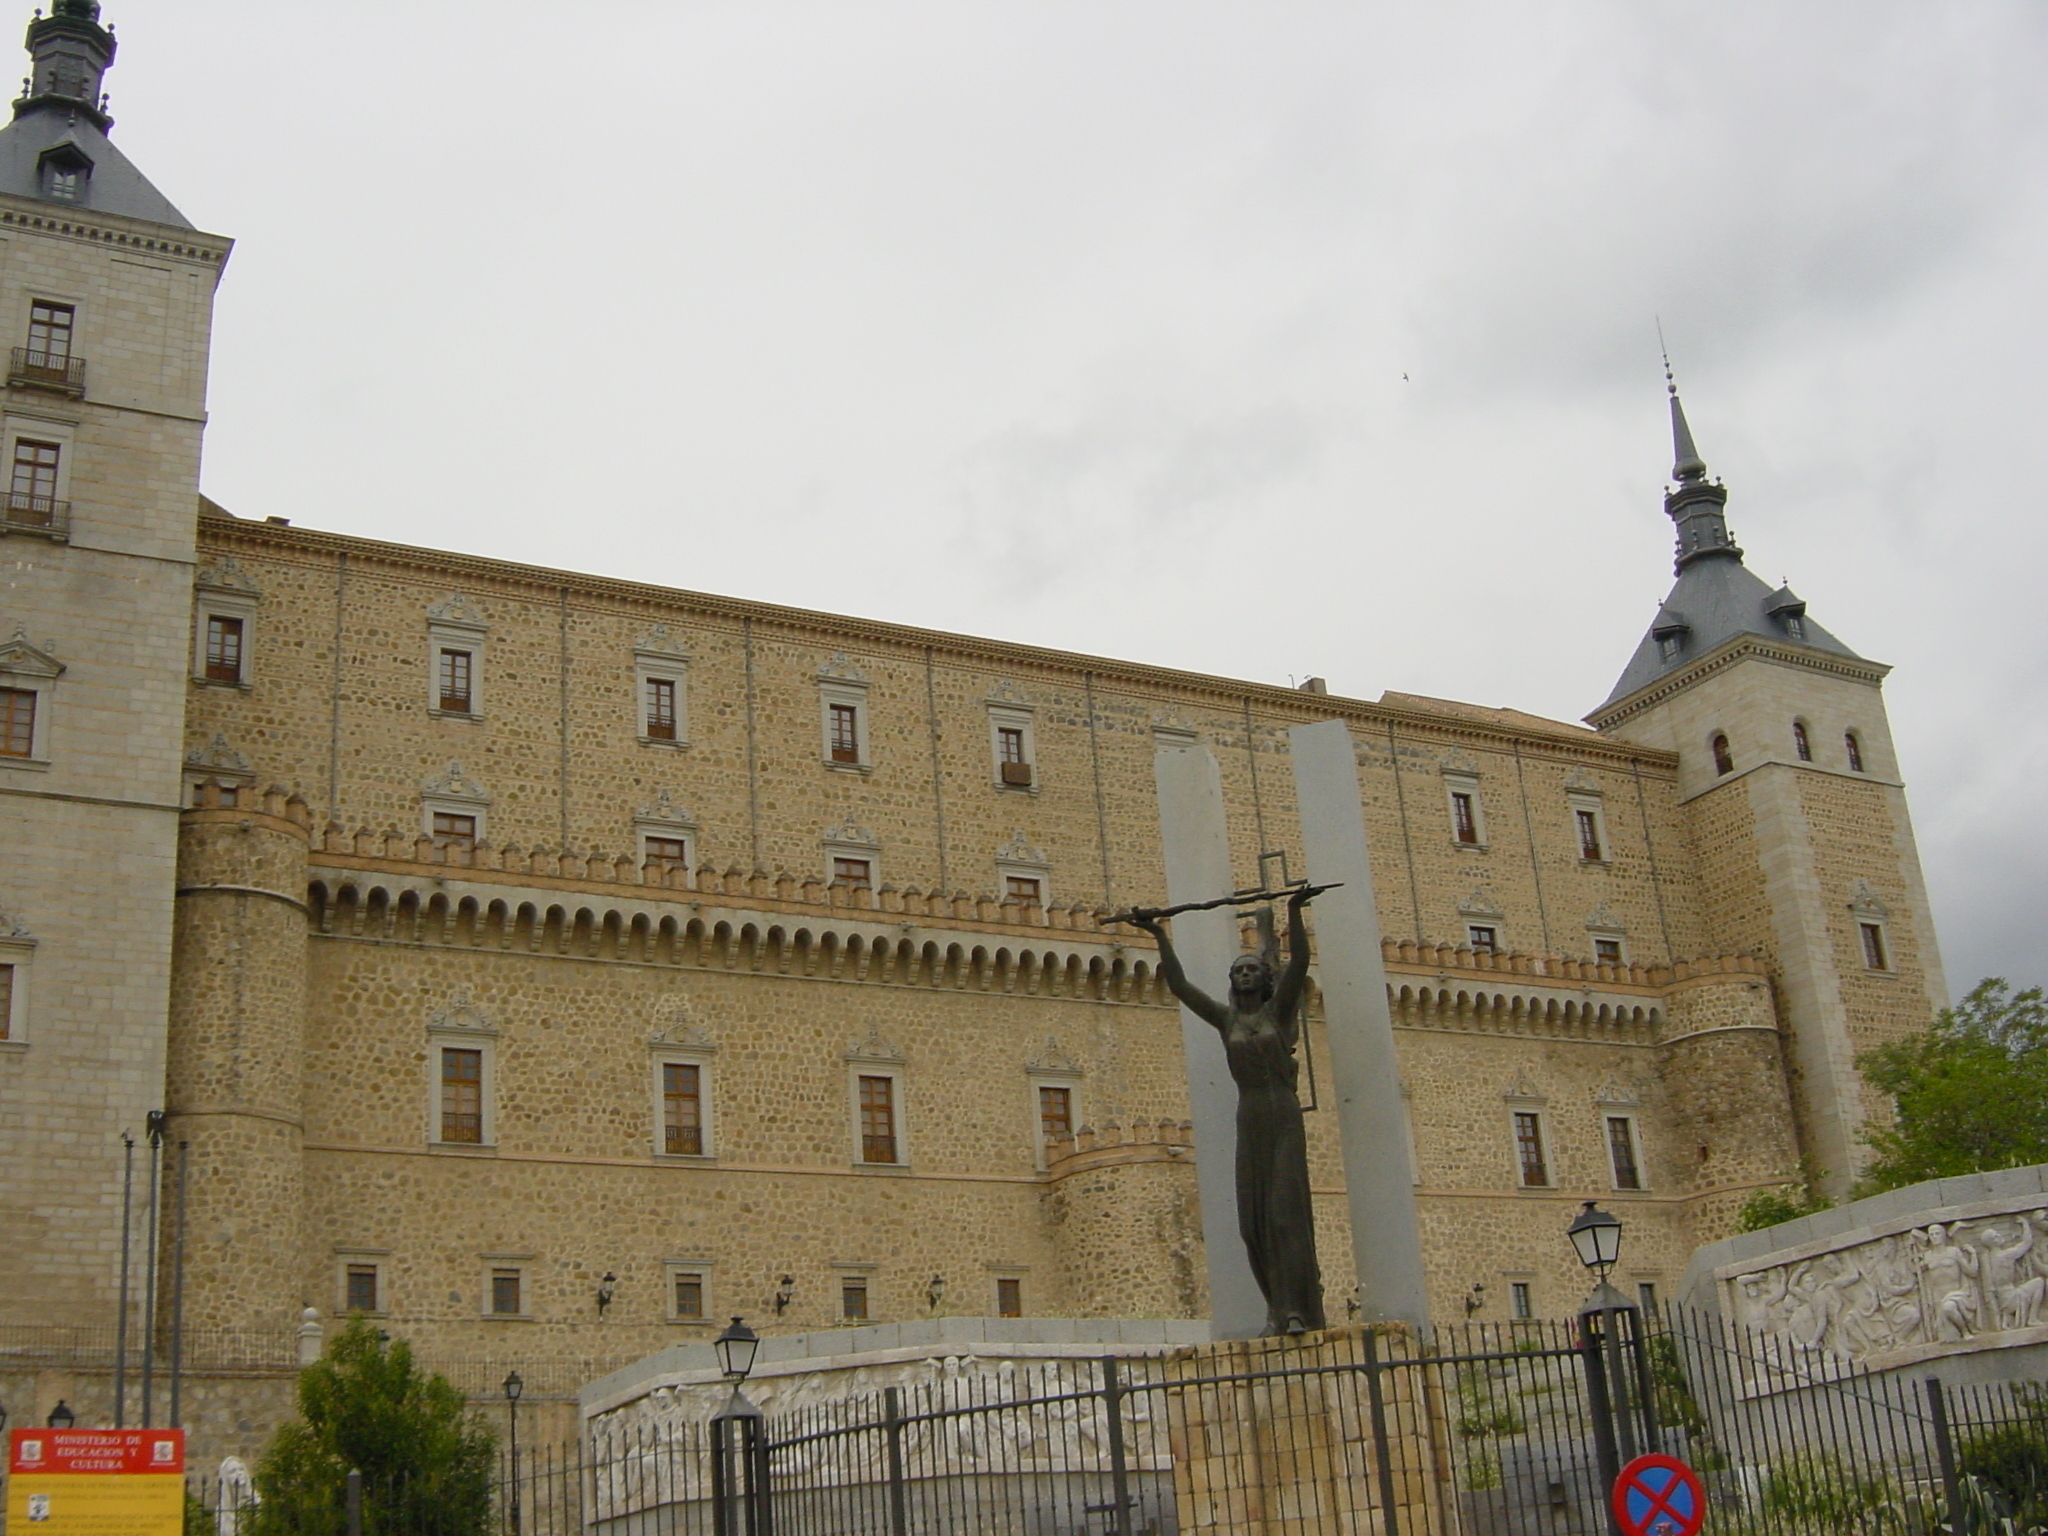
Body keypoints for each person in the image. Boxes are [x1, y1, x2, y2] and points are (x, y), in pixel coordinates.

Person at [1128, 884, 1331, 1335]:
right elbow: (1179, 985)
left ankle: (1299, 1310)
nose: (1243, 974)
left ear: (1264, 978)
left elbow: (1298, 963)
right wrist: (1157, 934)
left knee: (1284, 1216)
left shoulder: (1277, 1013)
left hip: (1283, 1116)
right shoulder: (1226, 1020)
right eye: (1238, 969)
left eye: (1251, 969)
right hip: (1250, 1119)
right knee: (1252, 1225)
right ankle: (1277, 1311)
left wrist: (1294, 911)